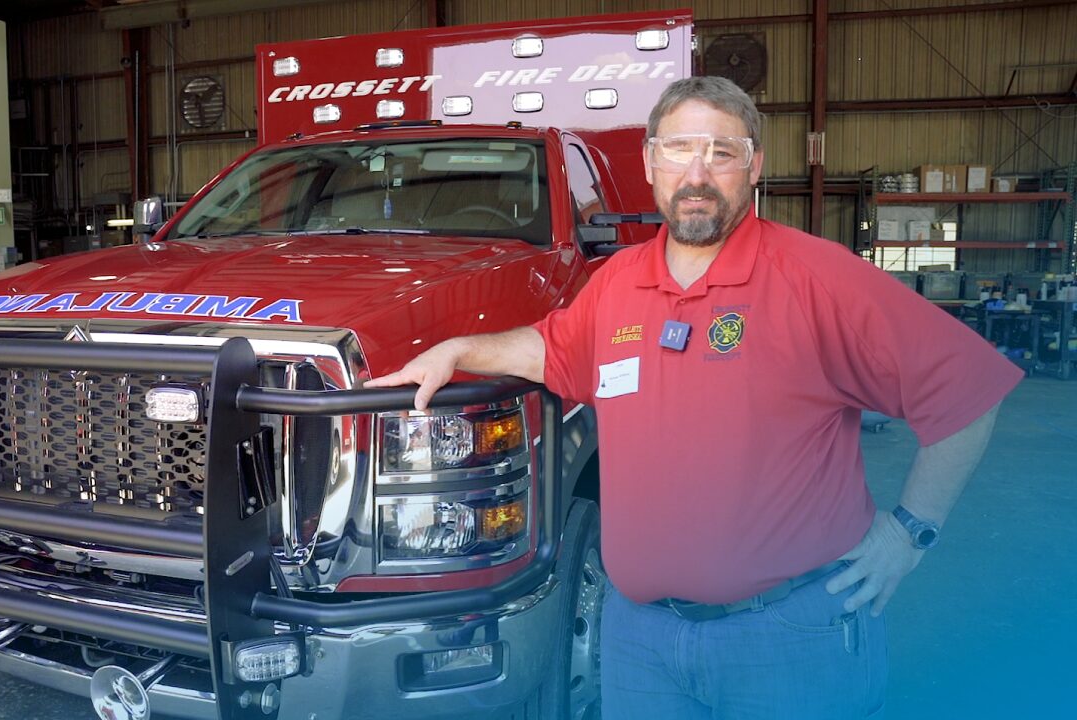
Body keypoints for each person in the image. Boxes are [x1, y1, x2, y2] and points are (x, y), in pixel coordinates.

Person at [366, 76, 1022, 718]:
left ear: (754, 167)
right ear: (651, 160)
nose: (698, 172)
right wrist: (459, 350)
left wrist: (909, 533)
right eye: (679, 148)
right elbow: (555, 348)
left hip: (789, 641)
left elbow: (968, 388)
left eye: (723, 152)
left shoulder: (818, 278)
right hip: (641, 645)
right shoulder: (619, 281)